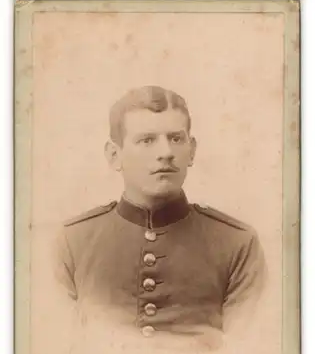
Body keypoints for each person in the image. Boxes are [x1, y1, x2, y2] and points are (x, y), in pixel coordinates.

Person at [54, 85, 266, 341]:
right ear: (114, 155)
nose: (165, 153)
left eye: (176, 138)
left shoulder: (237, 244)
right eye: (147, 140)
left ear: (192, 150)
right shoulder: (73, 242)